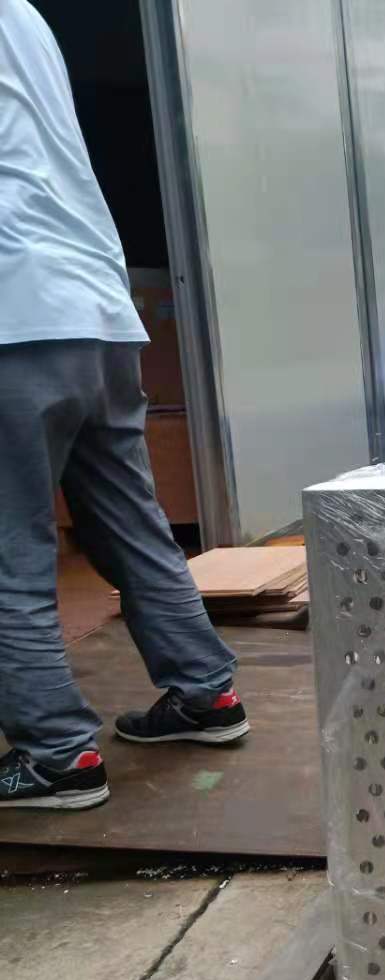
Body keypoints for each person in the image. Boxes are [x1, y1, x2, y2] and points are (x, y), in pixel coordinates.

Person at [0, 0, 246, 811]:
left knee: (10, 556)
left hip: (14, 311)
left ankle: (56, 756)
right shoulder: (24, 15)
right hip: (97, 308)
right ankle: (205, 693)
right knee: (133, 527)